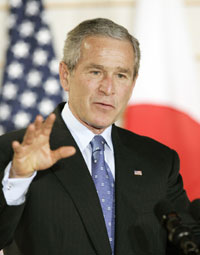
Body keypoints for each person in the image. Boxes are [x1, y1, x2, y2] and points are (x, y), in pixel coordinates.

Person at [0, 18, 198, 255]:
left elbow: (186, 244)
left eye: (121, 75)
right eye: (96, 72)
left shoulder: (158, 160)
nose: (108, 88)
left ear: (133, 83)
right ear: (65, 75)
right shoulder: (14, 153)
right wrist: (19, 178)